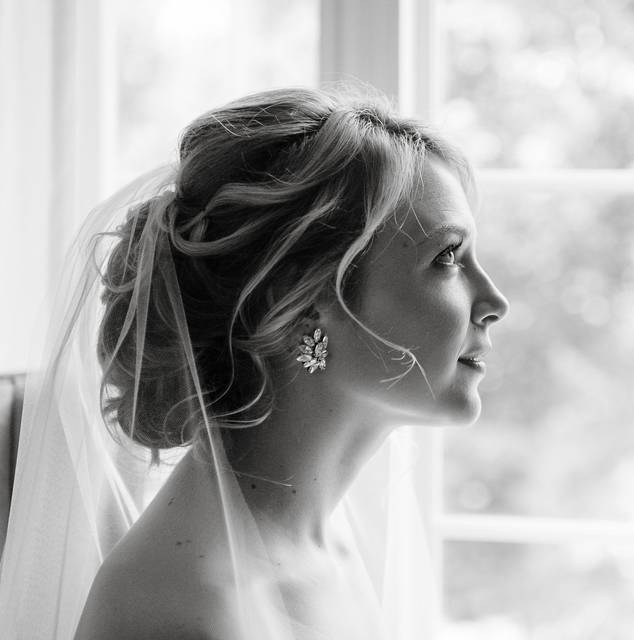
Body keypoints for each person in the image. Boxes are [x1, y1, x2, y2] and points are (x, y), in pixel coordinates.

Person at [0, 87, 508, 639]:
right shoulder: (179, 609)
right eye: (448, 258)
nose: (495, 302)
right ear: (309, 296)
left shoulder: (336, 544)